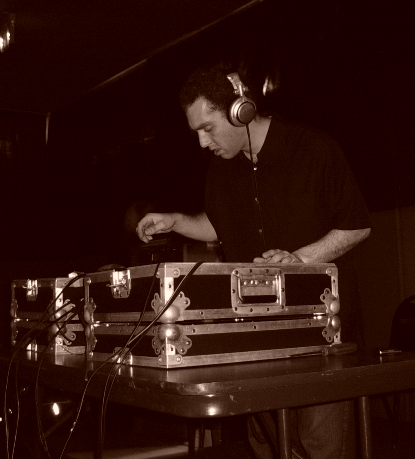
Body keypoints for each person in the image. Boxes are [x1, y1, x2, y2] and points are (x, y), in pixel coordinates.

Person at [136, 63, 371, 459]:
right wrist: (176, 221)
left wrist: (300, 259)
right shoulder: (221, 169)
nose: (202, 142)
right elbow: (220, 226)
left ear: (239, 111)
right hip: (256, 343)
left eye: (207, 128)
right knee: (267, 446)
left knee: (320, 447)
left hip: (322, 340)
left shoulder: (313, 148)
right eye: (196, 132)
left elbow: (357, 225)